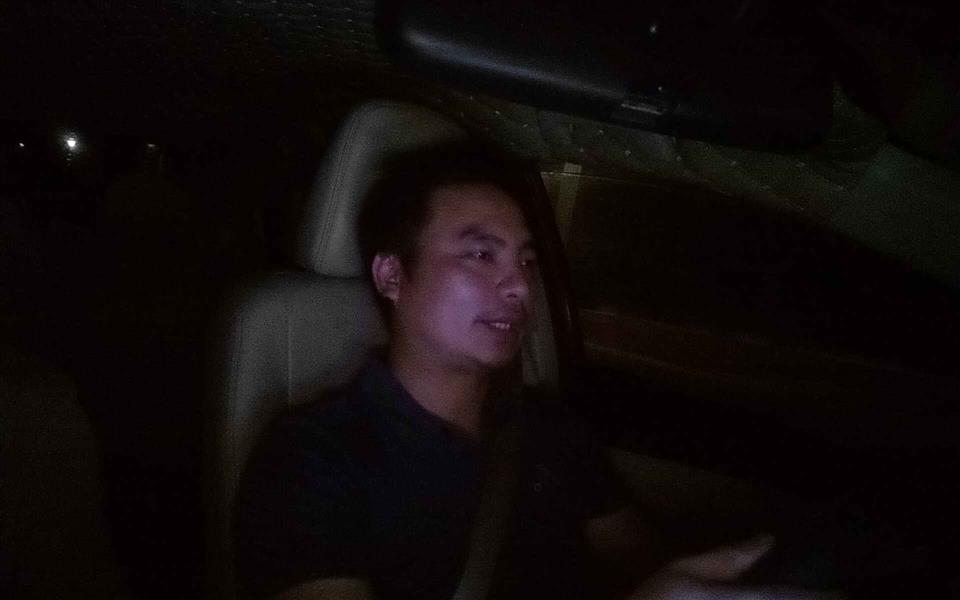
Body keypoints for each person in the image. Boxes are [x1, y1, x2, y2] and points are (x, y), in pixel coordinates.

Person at [233, 145, 841, 600]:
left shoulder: (545, 429)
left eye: (526, 260)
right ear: (393, 276)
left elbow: (642, 559)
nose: (521, 286)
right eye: (481, 254)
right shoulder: (312, 461)